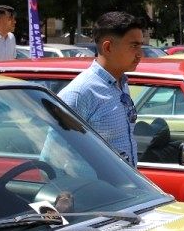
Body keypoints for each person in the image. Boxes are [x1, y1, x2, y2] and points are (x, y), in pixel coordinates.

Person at [58, 12, 146, 167]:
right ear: (108, 47)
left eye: (141, 45)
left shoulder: (122, 84)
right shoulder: (80, 93)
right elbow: (56, 155)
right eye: (134, 46)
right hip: (95, 189)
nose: (140, 54)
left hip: (124, 186)